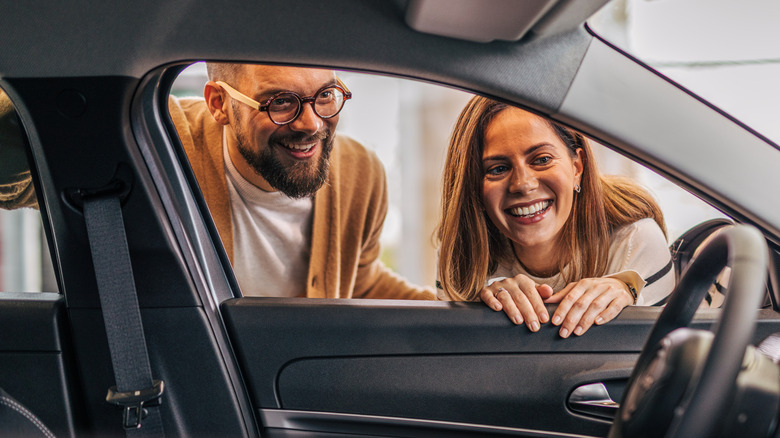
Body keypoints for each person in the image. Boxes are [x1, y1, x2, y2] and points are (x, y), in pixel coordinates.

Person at [1, 64, 434, 300]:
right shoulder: (151, 141)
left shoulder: (361, 172)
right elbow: (11, 178)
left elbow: (360, 281)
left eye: (325, 95)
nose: (311, 124)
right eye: (280, 102)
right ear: (219, 103)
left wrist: (464, 310)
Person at [436, 96, 674, 337]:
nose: (523, 185)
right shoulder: (462, 253)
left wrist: (626, 291)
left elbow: (659, 353)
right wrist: (483, 307)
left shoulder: (635, 240)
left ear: (577, 167)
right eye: (498, 169)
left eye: (542, 160)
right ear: (473, 186)